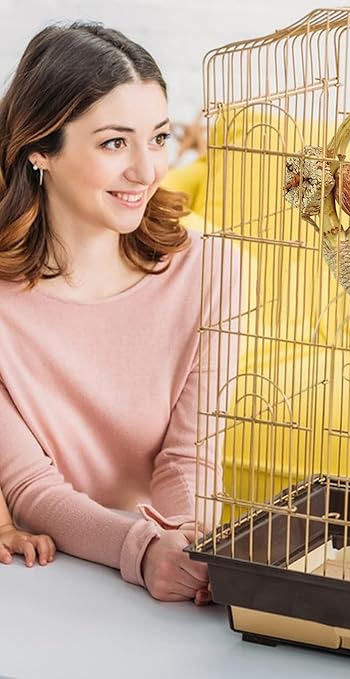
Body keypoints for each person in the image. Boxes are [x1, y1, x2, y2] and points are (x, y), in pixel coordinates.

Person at [0, 22, 239, 603]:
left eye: (158, 138)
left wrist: (188, 543)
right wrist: (142, 549)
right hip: (41, 578)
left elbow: (191, 455)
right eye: (114, 143)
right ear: (40, 151)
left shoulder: (212, 268)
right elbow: (30, 485)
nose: (146, 170)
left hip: (159, 572)